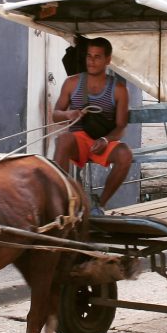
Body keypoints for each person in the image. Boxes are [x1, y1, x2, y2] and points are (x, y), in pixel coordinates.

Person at [52, 37, 132, 213]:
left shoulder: (119, 89)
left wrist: (105, 139)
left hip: (103, 142)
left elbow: (120, 127)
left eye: (97, 57)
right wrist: (69, 114)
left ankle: (99, 205)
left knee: (125, 154)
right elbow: (55, 115)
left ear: (108, 60)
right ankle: (62, 203)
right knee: (63, 140)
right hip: (79, 140)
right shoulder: (72, 83)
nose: (92, 61)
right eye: (89, 56)